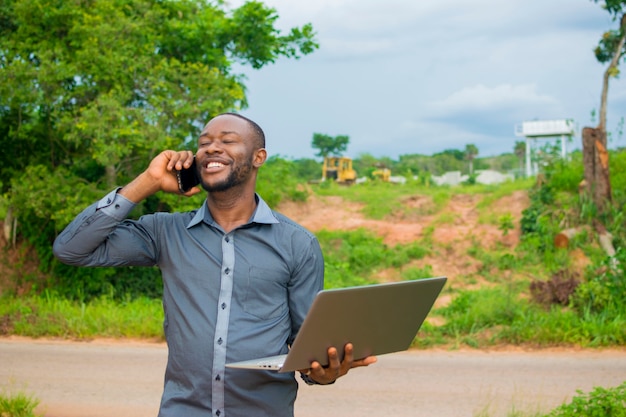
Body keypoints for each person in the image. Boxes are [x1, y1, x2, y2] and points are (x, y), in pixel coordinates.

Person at [53, 113, 377, 417]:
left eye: (227, 140)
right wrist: (147, 181)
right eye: (204, 142)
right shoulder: (165, 232)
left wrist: (324, 373)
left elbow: (307, 347)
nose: (212, 148)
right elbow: (71, 249)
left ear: (258, 157)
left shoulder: (297, 244)